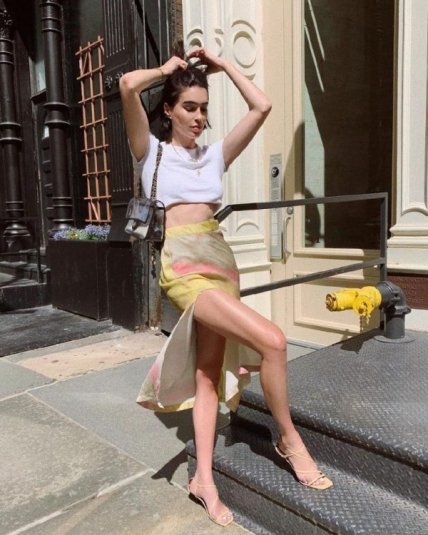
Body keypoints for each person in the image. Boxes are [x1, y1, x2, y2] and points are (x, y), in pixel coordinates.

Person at [120, 44, 332, 528]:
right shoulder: (150, 151)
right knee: (273, 341)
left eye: (203, 109)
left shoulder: (215, 155)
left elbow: (262, 105)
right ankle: (289, 439)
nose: (199, 118)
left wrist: (225, 65)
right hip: (183, 268)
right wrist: (166, 69)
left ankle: (203, 480)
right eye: (189, 108)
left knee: (207, 374)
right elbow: (128, 85)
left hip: (220, 261)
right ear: (168, 110)